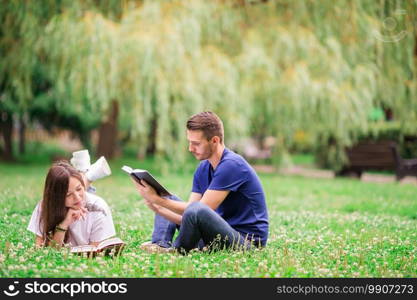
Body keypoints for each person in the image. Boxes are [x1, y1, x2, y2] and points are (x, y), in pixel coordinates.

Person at [134, 111, 269, 253]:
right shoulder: (203, 168)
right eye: (190, 143)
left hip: (245, 242)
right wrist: (160, 208)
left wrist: (157, 200)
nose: (190, 149)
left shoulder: (232, 165)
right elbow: (189, 218)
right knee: (169, 199)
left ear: (215, 140)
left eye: (196, 144)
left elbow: (197, 210)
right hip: (216, 235)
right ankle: (161, 245)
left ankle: (177, 250)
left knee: (192, 207)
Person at [27, 161, 116, 247]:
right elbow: (44, 250)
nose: (77, 198)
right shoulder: (45, 206)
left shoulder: (99, 208)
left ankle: (87, 176)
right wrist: (64, 224)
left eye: (79, 189)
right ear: (56, 197)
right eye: (68, 195)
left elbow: (95, 252)